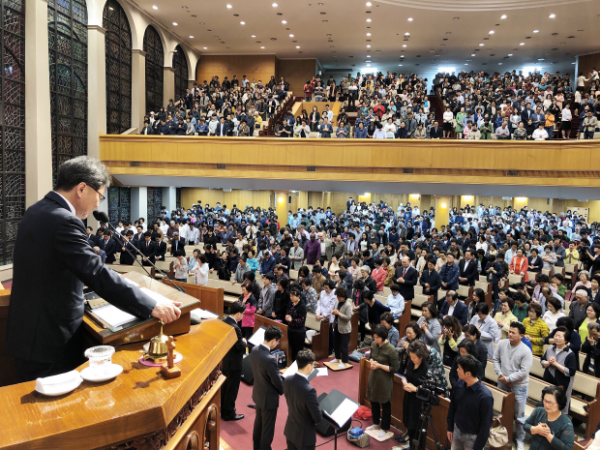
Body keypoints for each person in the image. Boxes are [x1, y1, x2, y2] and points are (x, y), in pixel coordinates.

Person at [7, 156, 181, 382]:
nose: (99, 203)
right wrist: (152, 305)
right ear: (81, 188)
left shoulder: (37, 210)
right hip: (48, 340)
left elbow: (57, 267)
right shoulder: (64, 221)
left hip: (31, 333)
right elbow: (97, 274)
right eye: (100, 195)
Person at [493, 321, 533, 450]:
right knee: (501, 411)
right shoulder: (502, 343)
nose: (509, 334)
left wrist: (508, 379)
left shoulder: (526, 351)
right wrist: (500, 376)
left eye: (513, 333)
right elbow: (495, 359)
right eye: (509, 332)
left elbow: (523, 371)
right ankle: (499, 434)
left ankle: (520, 439)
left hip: (519, 386)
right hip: (502, 382)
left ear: (521, 335)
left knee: (520, 415)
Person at [446, 355, 494, 450]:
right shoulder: (459, 384)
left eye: (459, 368)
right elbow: (452, 407)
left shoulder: (485, 396)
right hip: (457, 431)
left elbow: (485, 425)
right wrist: (450, 427)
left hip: (473, 438)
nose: (457, 370)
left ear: (468, 373)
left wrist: (478, 447)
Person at [251, 325, 285, 450]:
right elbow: (277, 382)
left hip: (258, 394)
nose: (278, 344)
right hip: (268, 399)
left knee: (258, 426)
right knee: (267, 431)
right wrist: (282, 388)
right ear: (273, 341)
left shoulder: (254, 349)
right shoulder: (270, 359)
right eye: (278, 341)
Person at [366, 324, 400, 439]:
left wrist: (379, 365)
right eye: (374, 337)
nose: (375, 340)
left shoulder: (391, 349)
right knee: (373, 401)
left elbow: (395, 368)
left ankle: (385, 428)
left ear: (383, 336)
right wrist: (371, 362)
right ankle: (375, 424)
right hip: (373, 377)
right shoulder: (374, 345)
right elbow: (371, 357)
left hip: (384, 380)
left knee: (385, 404)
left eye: (377, 337)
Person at [283, 349, 322, 450]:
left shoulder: (287, 379)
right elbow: (317, 418)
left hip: (291, 430)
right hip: (304, 437)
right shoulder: (309, 390)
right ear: (308, 366)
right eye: (313, 365)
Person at [540, 327, 577, 414]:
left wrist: (556, 364)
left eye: (560, 336)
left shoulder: (570, 354)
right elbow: (542, 361)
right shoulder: (550, 349)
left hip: (561, 384)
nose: (556, 338)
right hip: (548, 380)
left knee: (558, 407)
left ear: (566, 340)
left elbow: (571, 372)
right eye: (556, 335)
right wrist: (548, 363)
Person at [222, 301, 247, 421]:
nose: (243, 316)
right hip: (234, 363)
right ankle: (229, 413)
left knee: (225, 387)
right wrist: (244, 342)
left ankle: (223, 409)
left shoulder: (224, 321)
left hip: (225, 359)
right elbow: (239, 346)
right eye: (243, 314)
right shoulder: (236, 328)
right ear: (238, 314)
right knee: (232, 389)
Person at [401, 340, 430, 446]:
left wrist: (416, 389)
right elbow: (404, 376)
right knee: (410, 428)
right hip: (408, 399)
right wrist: (404, 383)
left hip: (419, 404)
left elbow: (429, 389)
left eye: (414, 357)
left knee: (418, 432)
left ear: (421, 357)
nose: (412, 359)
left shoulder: (426, 368)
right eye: (411, 356)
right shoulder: (410, 362)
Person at [331, 286, 353, 365]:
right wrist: (333, 311)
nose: (338, 298)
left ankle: (344, 361)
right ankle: (337, 358)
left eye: (340, 297)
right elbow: (334, 309)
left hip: (344, 328)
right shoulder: (337, 302)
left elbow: (348, 317)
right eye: (337, 296)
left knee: (344, 346)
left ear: (344, 296)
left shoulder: (348, 305)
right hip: (336, 326)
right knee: (336, 344)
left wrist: (339, 313)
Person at [286, 287, 307, 362]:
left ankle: (299, 367)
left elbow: (302, 321)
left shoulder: (302, 306)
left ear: (298, 296)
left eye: (293, 296)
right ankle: (293, 366)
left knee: (299, 352)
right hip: (291, 329)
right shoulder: (290, 304)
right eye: (290, 296)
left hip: (299, 332)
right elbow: (288, 312)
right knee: (292, 350)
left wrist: (292, 320)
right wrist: (287, 316)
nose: (291, 297)